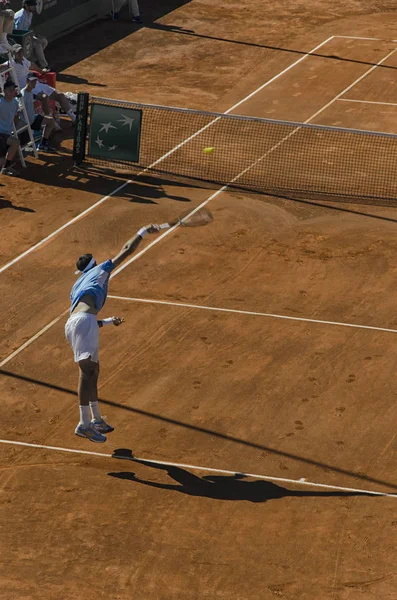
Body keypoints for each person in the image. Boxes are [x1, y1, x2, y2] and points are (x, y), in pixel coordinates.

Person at [65, 223, 160, 442]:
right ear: (95, 265)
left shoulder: (77, 284)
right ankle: (84, 424)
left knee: (94, 371)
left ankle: (96, 419)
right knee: (86, 372)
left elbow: (83, 318)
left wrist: (108, 322)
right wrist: (142, 232)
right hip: (82, 322)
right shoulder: (100, 270)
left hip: (79, 323)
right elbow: (126, 250)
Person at [10, 45, 76, 124]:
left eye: (21, 51)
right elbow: (2, 67)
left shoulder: (23, 59)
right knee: (44, 97)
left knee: (60, 95)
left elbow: (32, 65)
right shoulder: (10, 63)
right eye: (18, 52)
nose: (20, 54)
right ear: (13, 53)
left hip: (36, 84)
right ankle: (51, 122)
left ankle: (74, 119)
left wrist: (41, 71)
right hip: (28, 89)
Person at [18, 71, 55, 152]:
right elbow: (19, 108)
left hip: (32, 119)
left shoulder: (30, 91)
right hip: (26, 122)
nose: (34, 83)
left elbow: (36, 97)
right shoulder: (23, 94)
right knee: (50, 121)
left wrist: (43, 97)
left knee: (51, 121)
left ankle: (43, 144)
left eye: (35, 81)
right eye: (32, 81)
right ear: (27, 81)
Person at [13, 0, 49, 69]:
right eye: (32, 5)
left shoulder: (30, 13)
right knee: (37, 44)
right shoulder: (21, 17)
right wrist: (31, 38)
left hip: (26, 36)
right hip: (17, 41)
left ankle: (33, 61)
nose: (34, 7)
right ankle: (45, 65)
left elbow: (26, 29)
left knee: (44, 41)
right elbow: (18, 33)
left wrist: (34, 35)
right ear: (26, 6)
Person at [0, 78, 20, 175]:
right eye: (10, 90)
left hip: (6, 134)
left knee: (2, 160)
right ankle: (5, 169)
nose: (12, 93)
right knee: (16, 142)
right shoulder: (0, 102)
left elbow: (15, 117)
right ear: (5, 91)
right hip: (1, 134)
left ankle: (4, 166)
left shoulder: (15, 103)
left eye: (14, 90)